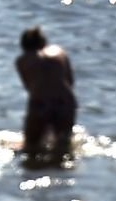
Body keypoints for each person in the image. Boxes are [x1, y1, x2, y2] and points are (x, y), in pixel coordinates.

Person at [16, 26, 77, 161]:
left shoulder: (23, 60)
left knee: (30, 148)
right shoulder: (60, 52)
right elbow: (71, 81)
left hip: (40, 103)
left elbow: (29, 87)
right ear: (43, 42)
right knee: (63, 146)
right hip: (65, 101)